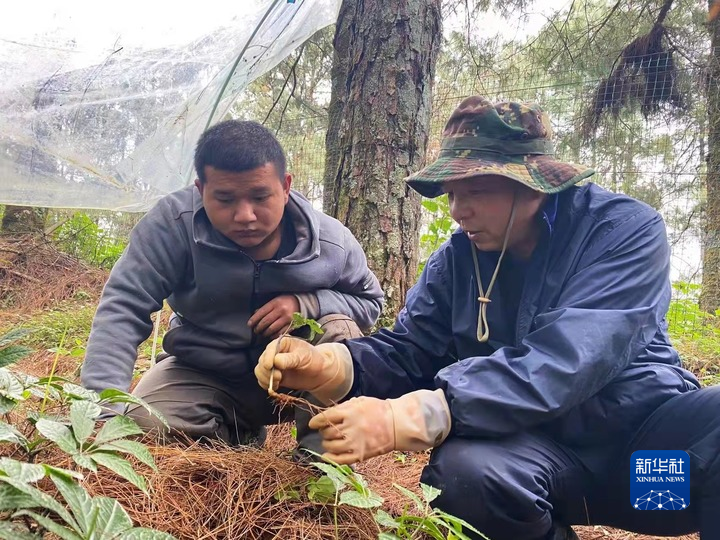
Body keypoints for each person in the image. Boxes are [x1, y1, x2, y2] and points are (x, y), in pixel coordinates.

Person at [255, 97, 720, 540]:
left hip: (647, 467)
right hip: (541, 466)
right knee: (466, 474)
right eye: (452, 193)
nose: (459, 211)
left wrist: (418, 414)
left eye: (475, 190)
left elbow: (573, 357)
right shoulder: (457, 261)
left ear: (533, 182)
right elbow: (412, 349)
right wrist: (334, 364)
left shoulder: (620, 230)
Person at [81, 119, 384, 457]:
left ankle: (319, 466)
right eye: (224, 199)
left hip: (297, 376)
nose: (245, 216)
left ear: (285, 187)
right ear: (200, 190)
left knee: (340, 330)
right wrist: (99, 416)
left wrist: (307, 303)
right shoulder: (172, 226)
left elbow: (370, 302)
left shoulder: (330, 241)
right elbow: (122, 309)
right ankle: (236, 432)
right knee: (146, 431)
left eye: (260, 196)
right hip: (204, 369)